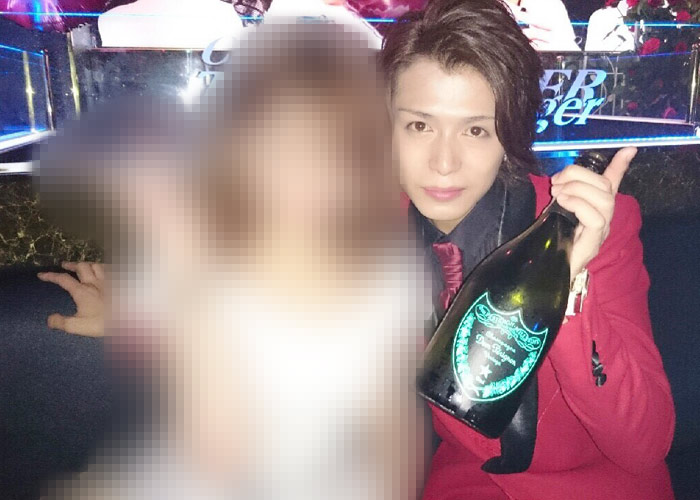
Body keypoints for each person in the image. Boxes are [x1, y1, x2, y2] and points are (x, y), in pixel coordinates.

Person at [39, 21, 426, 500]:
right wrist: (176, 289)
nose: (305, 171)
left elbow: (395, 416)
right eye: (278, 143)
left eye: (333, 149)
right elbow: (220, 458)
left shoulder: (390, 272)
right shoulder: (190, 256)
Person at [379, 0, 674, 498]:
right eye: (420, 126)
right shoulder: (373, 232)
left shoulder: (590, 227)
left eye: (476, 130)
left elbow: (645, 444)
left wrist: (566, 281)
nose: (444, 163)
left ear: (508, 137)